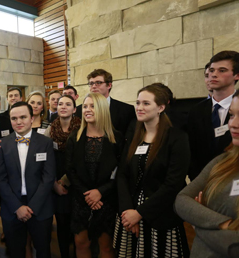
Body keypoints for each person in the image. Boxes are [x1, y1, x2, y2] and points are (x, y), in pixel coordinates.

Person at [115, 83, 190, 258]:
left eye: (146, 103)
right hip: (130, 214)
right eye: (138, 102)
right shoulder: (135, 135)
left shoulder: (177, 138)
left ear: (161, 107)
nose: (139, 108)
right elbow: (122, 174)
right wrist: (127, 211)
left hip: (160, 215)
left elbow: (173, 184)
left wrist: (140, 213)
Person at [175, 90, 239, 258]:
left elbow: (234, 247)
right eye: (232, 115)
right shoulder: (222, 161)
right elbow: (181, 200)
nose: (233, 124)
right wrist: (225, 224)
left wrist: (199, 222)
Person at [0, 102, 56, 258]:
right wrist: (17, 207)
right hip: (12, 207)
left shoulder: (45, 143)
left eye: (23, 117)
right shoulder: (3, 144)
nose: (19, 122)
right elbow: (0, 179)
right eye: (14, 118)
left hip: (40, 206)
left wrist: (32, 207)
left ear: (32, 118)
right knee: (15, 251)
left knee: (43, 251)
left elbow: (48, 177)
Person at [65, 92, 122, 258]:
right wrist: (87, 195)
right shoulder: (74, 137)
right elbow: (70, 170)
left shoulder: (116, 138)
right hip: (80, 199)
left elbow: (120, 171)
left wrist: (100, 192)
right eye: (85, 106)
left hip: (107, 200)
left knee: (106, 246)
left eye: (92, 106)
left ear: (103, 109)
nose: (87, 110)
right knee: (81, 243)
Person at [188, 51, 239, 181]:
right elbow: (191, 152)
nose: (213, 75)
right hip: (201, 182)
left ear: (236, 75)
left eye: (222, 70)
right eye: (211, 70)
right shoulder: (196, 110)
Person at [44, 95, 81, 258]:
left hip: (77, 182)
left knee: (77, 225)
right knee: (61, 223)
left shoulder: (82, 128)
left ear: (74, 109)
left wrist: (66, 181)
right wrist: (54, 184)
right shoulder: (50, 129)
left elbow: (82, 159)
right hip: (55, 182)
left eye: (68, 104)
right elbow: (44, 159)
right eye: (60, 104)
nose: (63, 106)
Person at [75, 69, 135, 136]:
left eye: (99, 83)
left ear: (109, 85)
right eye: (91, 83)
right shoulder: (79, 110)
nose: (94, 86)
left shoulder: (126, 110)